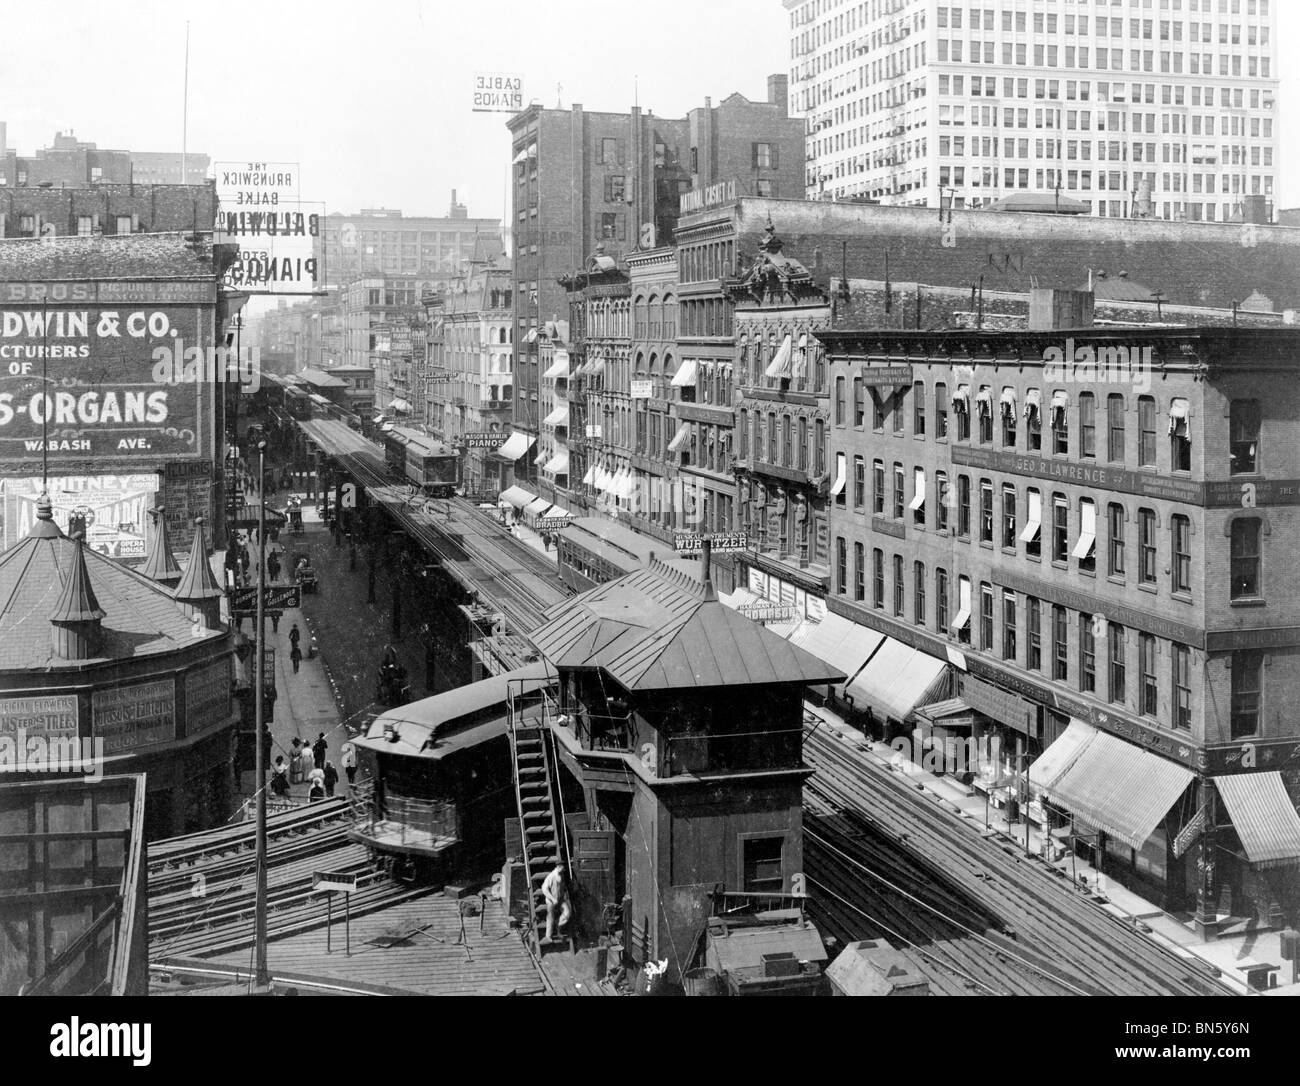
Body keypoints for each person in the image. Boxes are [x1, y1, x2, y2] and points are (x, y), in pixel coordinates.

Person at [541, 863, 572, 943]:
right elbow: (544, 889)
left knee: (567, 912)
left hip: (560, 899)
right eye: (562, 868)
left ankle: (558, 925)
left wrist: (564, 897)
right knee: (550, 916)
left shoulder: (561, 875)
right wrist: (552, 899)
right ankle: (548, 936)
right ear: (558, 867)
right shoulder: (551, 876)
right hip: (551, 900)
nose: (563, 870)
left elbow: (563, 887)